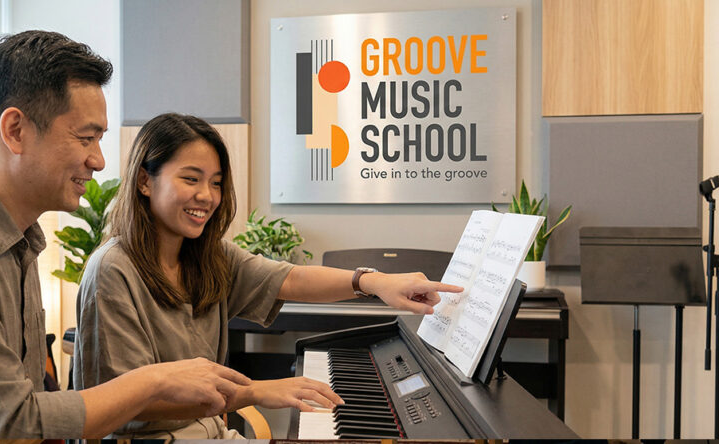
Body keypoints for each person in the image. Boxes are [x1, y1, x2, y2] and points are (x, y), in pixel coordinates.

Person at [0, 31, 253, 439]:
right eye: (85, 137)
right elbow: (7, 423)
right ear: (16, 130)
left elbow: (30, 405)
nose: (98, 159)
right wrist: (155, 382)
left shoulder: (17, 238)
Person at [73, 113, 464, 439]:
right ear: (144, 181)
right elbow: (126, 400)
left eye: (216, 183)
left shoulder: (208, 256)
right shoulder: (113, 269)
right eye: (191, 179)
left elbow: (289, 280)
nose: (207, 196)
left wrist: (374, 283)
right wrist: (255, 392)